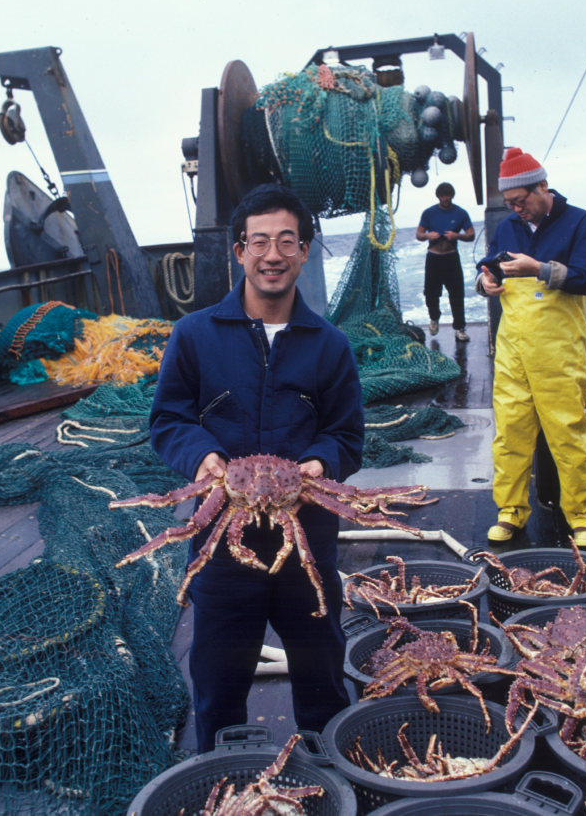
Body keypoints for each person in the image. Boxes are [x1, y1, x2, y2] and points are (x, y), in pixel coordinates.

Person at [150, 183, 364, 753]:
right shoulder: (194, 335)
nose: (273, 254)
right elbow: (168, 418)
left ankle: (332, 777)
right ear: (239, 251)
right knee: (218, 689)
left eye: (287, 241)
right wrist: (203, 455)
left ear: (304, 251)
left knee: (323, 683)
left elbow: (346, 434)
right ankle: (219, 776)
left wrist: (322, 461)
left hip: (307, 542)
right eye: (259, 241)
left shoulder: (330, 345)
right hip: (221, 545)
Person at [476, 147, 586, 547]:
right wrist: (485, 283)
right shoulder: (510, 226)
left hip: (558, 350)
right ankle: (510, 510)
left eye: (521, 201)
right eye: (509, 204)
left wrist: (539, 269)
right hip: (513, 349)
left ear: (543, 187)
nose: (516, 211)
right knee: (510, 432)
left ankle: (583, 516)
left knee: (568, 433)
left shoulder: (581, 223)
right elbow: (487, 267)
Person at [416, 182, 475, 341]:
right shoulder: (429, 213)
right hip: (433, 258)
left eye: (448, 195)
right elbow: (419, 234)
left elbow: (471, 235)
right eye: (442, 196)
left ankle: (460, 328)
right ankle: (434, 317)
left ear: (452, 195)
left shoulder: (461, 213)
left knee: (457, 294)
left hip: (451, 258)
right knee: (430, 294)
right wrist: (428, 236)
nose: (445, 198)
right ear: (438, 197)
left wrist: (457, 236)